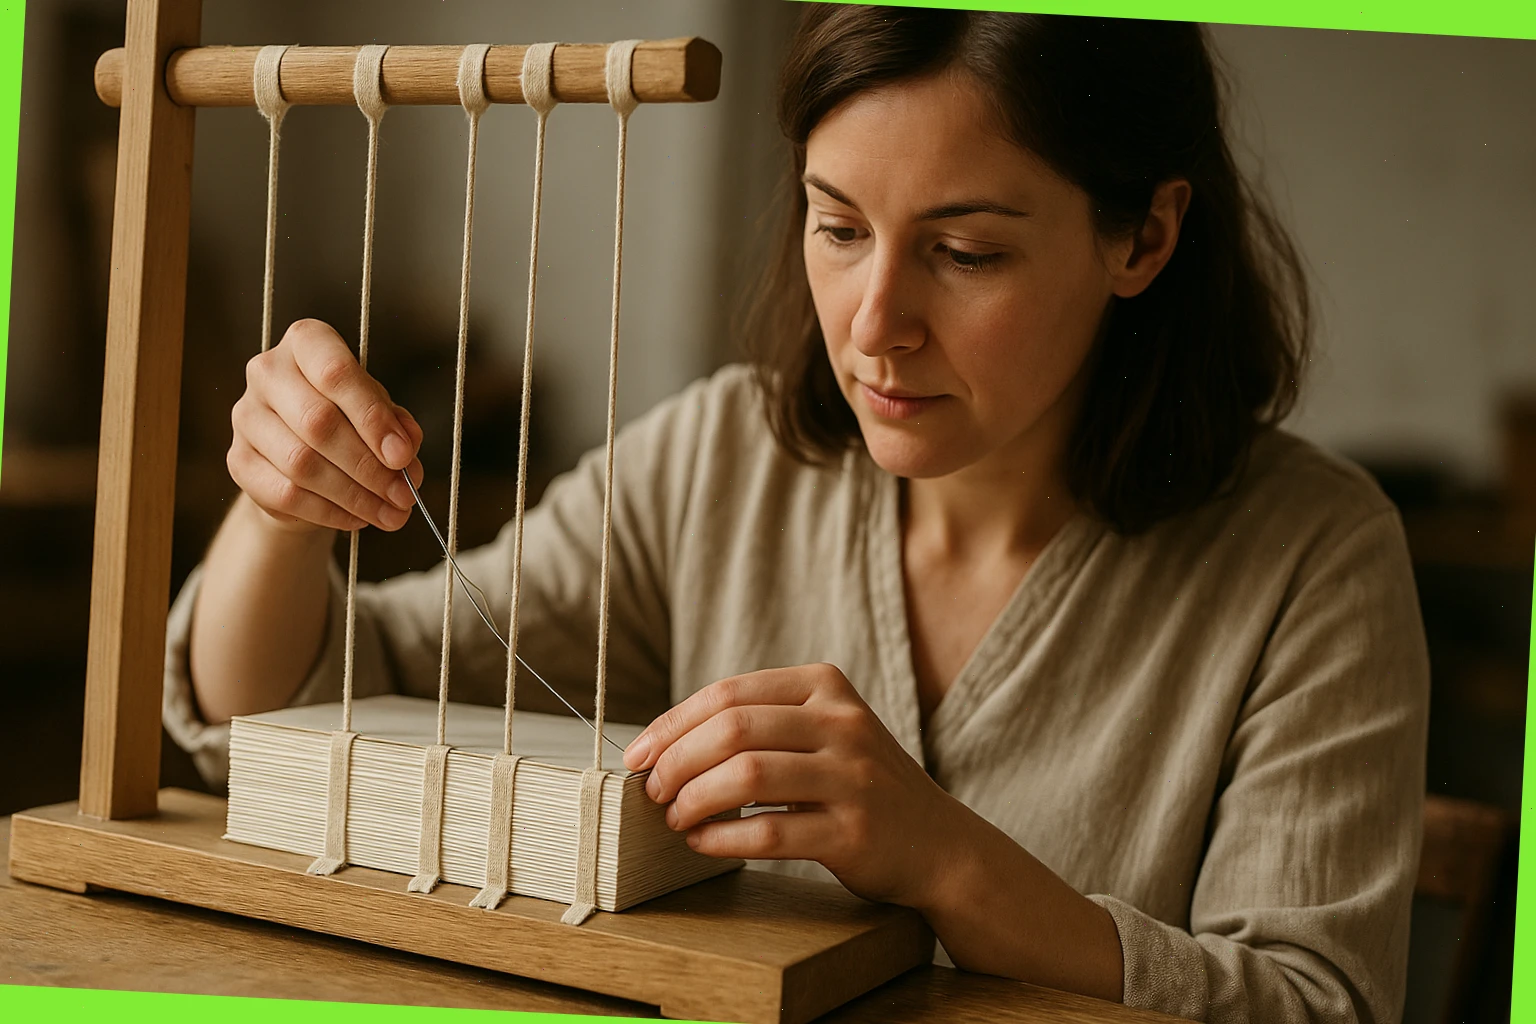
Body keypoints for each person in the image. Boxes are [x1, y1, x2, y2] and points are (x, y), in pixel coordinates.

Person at [162, 7, 1429, 1022]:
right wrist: (282, 512)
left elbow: (1318, 1002)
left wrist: (946, 860)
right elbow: (289, 705)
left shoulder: (1313, 557)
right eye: (839, 226)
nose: (874, 325)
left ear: (1143, 236)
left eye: (967, 252)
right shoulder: (720, 457)